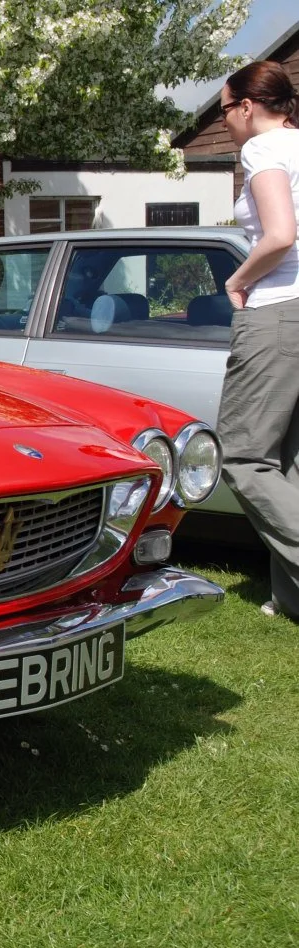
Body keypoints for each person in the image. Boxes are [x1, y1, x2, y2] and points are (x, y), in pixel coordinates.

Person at [216, 59, 299, 618]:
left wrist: (238, 278)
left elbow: (280, 235)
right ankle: (289, 599)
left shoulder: (263, 149)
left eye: (225, 110)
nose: (224, 123)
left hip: (277, 309)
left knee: (244, 455)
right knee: (288, 458)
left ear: (248, 106)